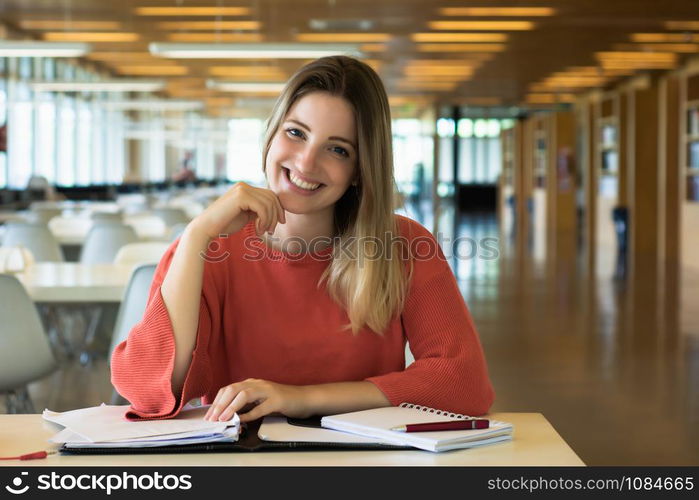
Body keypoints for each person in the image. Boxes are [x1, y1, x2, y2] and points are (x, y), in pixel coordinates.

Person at [111, 56, 494, 423]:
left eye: (337, 149)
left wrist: (300, 398)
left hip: (364, 464)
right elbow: (148, 392)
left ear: (360, 170)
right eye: (296, 132)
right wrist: (196, 234)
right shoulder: (206, 248)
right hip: (240, 462)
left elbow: (463, 384)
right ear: (272, 134)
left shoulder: (404, 245)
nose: (307, 163)